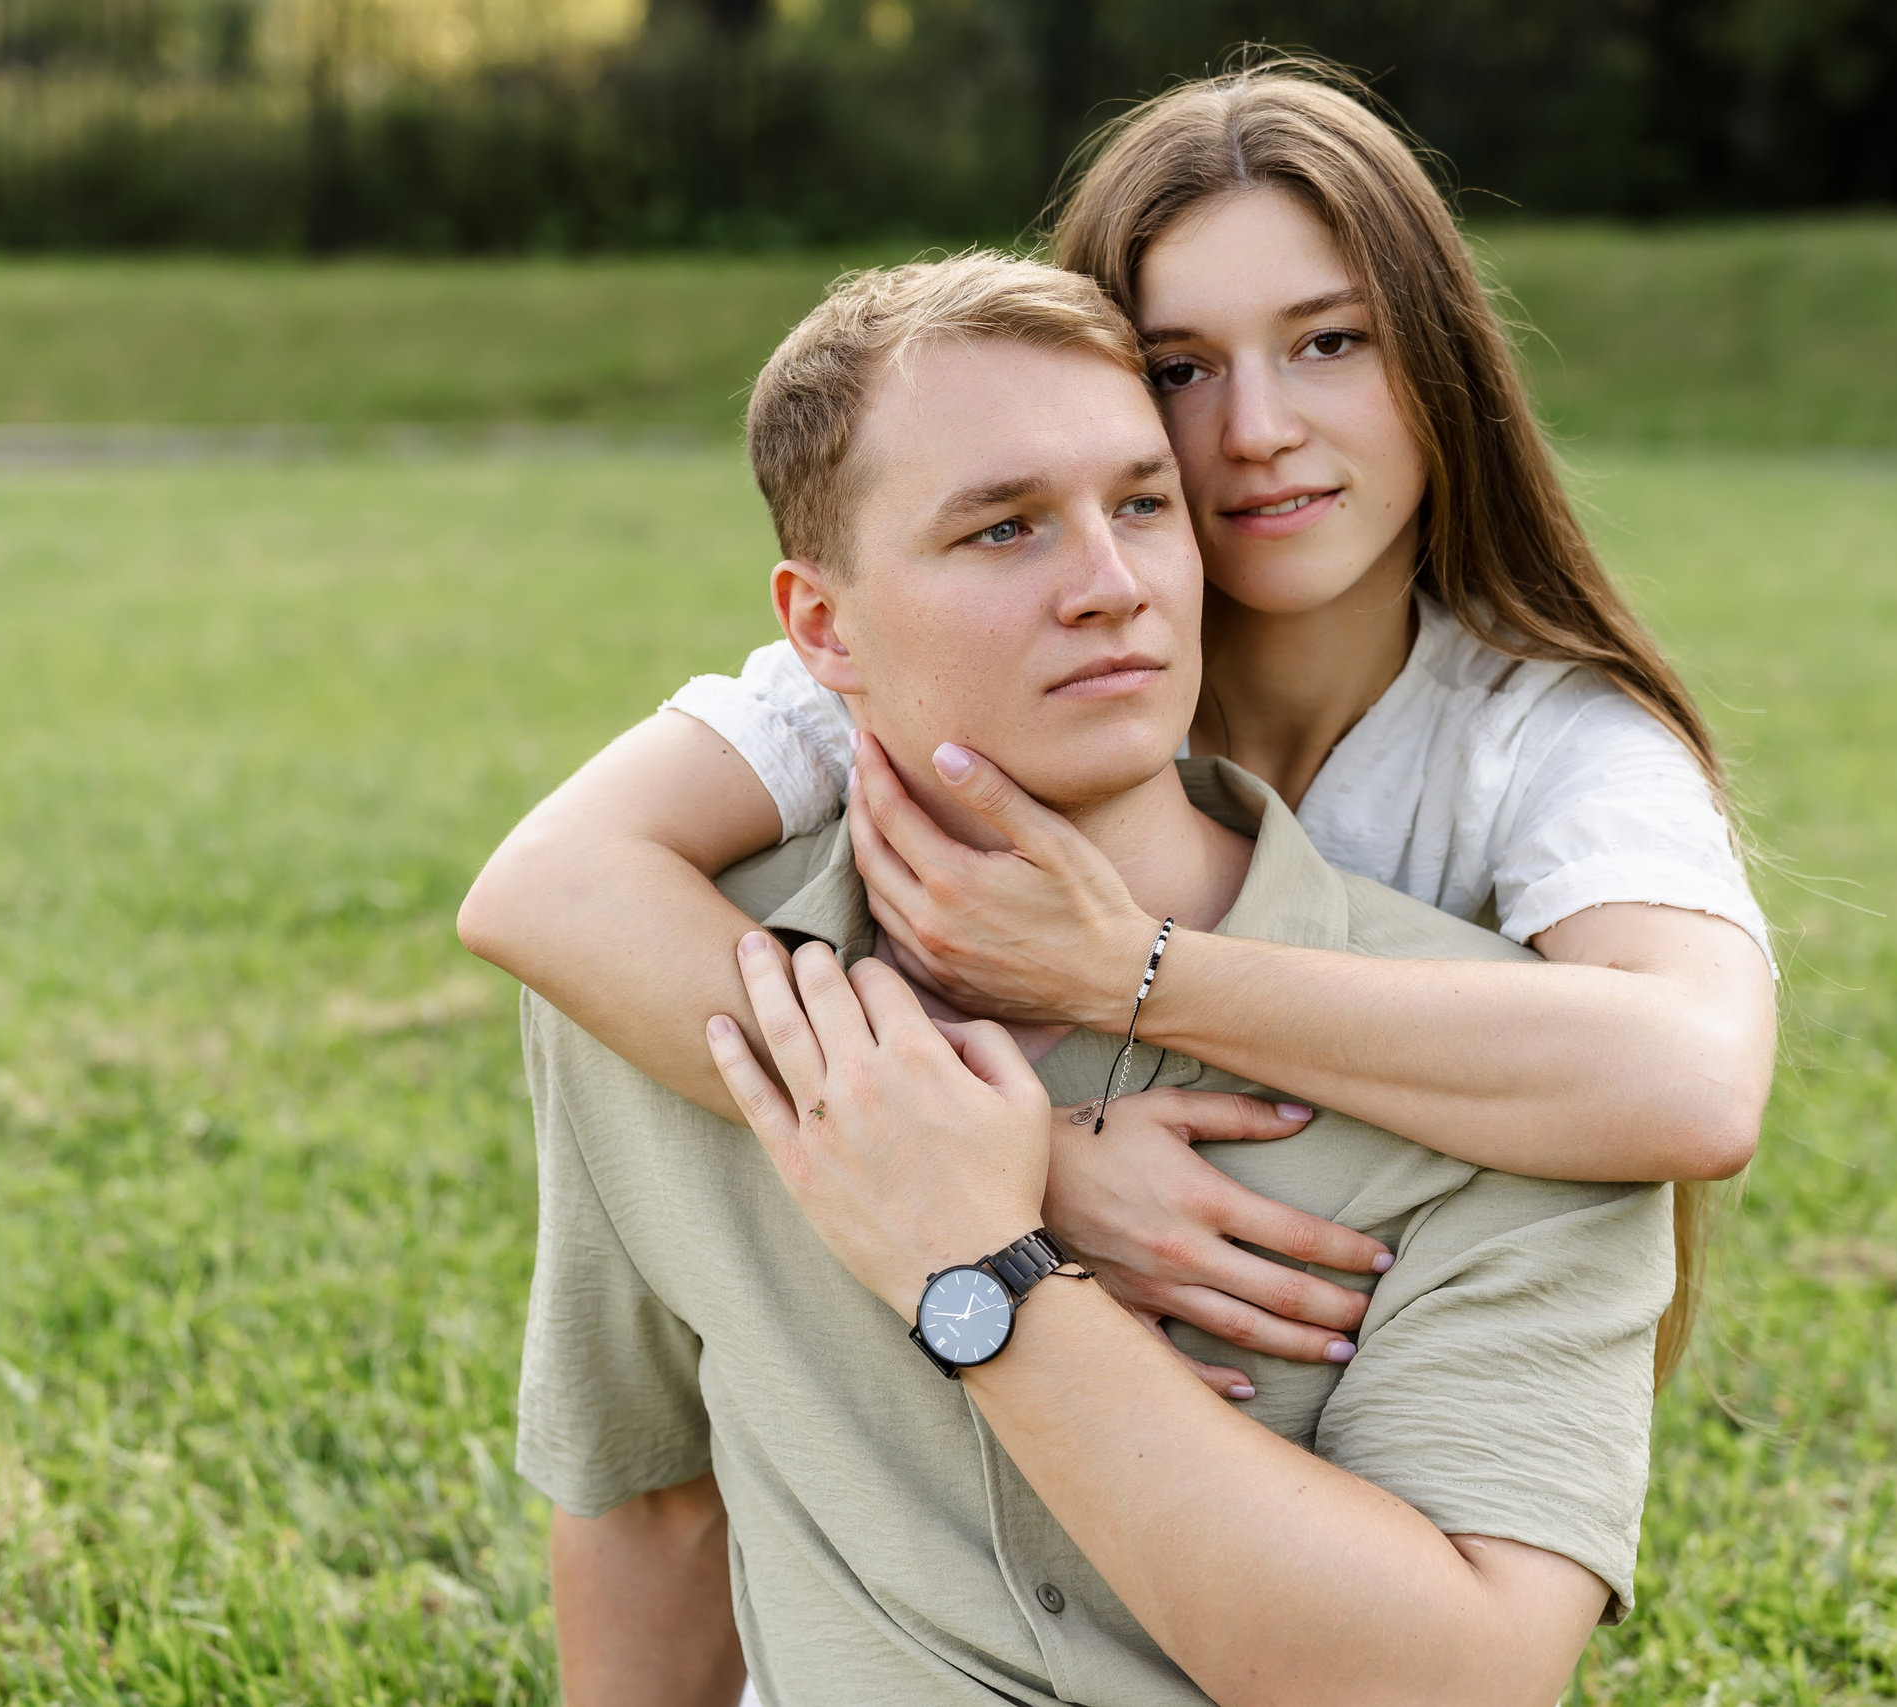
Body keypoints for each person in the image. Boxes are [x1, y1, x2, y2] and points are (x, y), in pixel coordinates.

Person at [459, 61, 1775, 1405]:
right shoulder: (1006, 657)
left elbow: (1698, 1081)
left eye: (1331, 341)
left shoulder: (1543, 738)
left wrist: (1126, 969)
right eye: (1179, 368)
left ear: (1437, 360)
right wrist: (1029, 1168)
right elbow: (551, 884)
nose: (1258, 432)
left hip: (1374, 1397)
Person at [494, 252, 1672, 1707]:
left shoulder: (1509, 1081)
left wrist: (981, 1262)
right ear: (822, 630)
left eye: (1141, 506)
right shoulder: (659, 986)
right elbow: (653, 1507)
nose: (1110, 588)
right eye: (1003, 530)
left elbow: (1457, 1683)